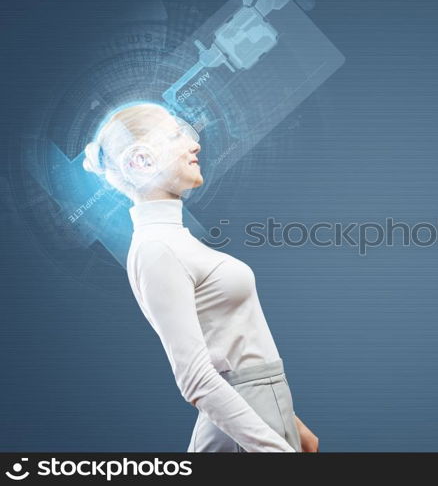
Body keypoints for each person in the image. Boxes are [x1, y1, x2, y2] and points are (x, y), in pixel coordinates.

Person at [82, 101, 319, 452]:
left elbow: (235, 348)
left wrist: (291, 423)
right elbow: (195, 379)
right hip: (245, 436)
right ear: (141, 161)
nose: (194, 144)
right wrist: (275, 451)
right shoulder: (156, 249)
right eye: (176, 135)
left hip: (262, 418)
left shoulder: (175, 241)